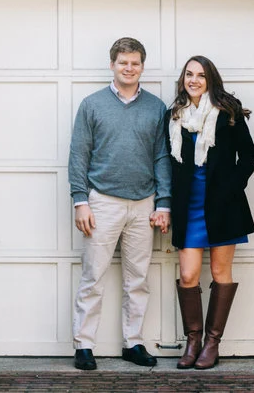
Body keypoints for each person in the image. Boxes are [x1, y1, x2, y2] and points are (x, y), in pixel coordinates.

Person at [68, 37, 172, 371]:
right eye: (123, 62)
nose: (129, 68)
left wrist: (164, 203)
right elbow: (78, 155)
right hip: (103, 202)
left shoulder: (156, 108)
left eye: (135, 63)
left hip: (144, 204)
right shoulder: (92, 104)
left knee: (138, 279)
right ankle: (84, 345)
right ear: (112, 64)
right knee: (93, 276)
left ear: (142, 66)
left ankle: (134, 342)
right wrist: (80, 201)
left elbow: (162, 157)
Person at [168, 55, 254, 370]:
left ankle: (211, 344)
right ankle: (192, 341)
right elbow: (168, 162)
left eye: (201, 75)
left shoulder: (227, 113)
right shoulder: (174, 116)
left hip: (223, 207)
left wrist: (231, 189)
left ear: (210, 80)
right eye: (189, 74)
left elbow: (249, 155)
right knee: (189, 275)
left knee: (221, 274)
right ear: (183, 79)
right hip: (188, 207)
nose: (194, 80)